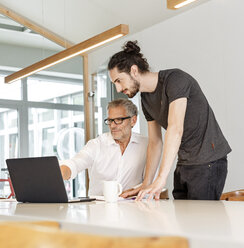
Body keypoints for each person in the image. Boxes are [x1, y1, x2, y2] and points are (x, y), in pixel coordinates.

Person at [107, 40, 231, 201]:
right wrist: (146, 183)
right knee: (181, 219)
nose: (118, 89)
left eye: (119, 80)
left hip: (209, 160)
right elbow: (155, 142)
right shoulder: (145, 99)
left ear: (134, 70)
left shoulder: (175, 79)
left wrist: (161, 178)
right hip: (185, 162)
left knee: (201, 222)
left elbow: (175, 128)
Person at [60, 99, 147, 196]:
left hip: (133, 207)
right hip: (98, 208)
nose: (113, 126)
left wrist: (133, 191)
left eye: (118, 120)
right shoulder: (96, 145)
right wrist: (60, 173)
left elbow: (151, 181)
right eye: (110, 120)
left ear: (133, 120)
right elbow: (75, 163)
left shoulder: (146, 145)